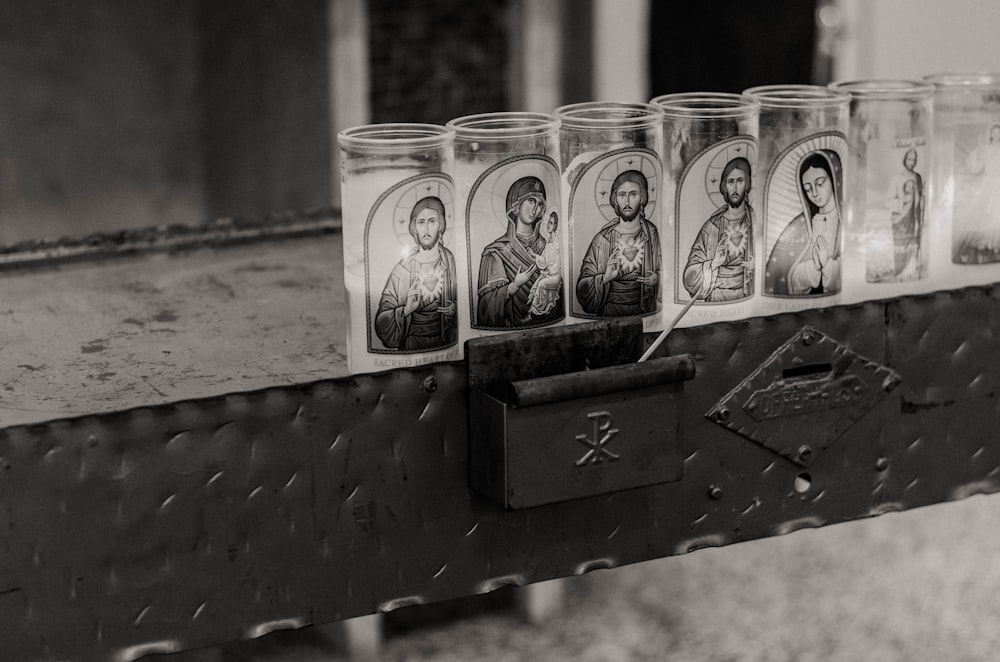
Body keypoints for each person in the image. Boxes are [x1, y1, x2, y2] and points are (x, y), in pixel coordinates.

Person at [374, 196, 457, 350]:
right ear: (414, 228)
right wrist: (406, 310)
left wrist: (455, 308)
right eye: (421, 222)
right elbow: (382, 319)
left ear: (440, 226)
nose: (426, 229)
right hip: (412, 343)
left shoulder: (450, 260)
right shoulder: (403, 269)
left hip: (445, 341)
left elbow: (466, 296)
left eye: (432, 221)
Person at [477, 176, 561, 327]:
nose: (535, 209)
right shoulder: (496, 252)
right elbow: (485, 306)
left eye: (540, 204)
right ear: (516, 206)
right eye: (531, 201)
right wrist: (513, 286)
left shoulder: (547, 246)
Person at [575, 170, 660, 316]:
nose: (627, 202)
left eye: (633, 194)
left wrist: (656, 277)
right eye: (622, 195)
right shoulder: (602, 239)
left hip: (643, 311)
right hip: (610, 312)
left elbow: (664, 269)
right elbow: (582, 288)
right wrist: (605, 278)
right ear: (615, 200)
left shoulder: (651, 233)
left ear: (642, 198)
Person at [765, 151, 842, 295]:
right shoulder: (801, 225)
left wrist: (827, 264)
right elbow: (786, 276)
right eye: (807, 189)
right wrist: (816, 265)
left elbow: (848, 268)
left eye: (820, 183)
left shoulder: (842, 222)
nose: (814, 193)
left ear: (833, 178)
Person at [682, 156, 754, 301]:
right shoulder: (711, 227)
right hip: (716, 296)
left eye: (740, 181)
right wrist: (713, 263)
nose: (734, 188)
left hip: (746, 296)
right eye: (730, 182)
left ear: (747, 184)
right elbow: (688, 277)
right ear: (724, 187)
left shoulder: (754, 221)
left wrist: (756, 267)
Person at [885, 148, 924, 277]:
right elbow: (888, 200)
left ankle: (910, 272)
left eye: (914, 160)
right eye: (909, 159)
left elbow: (920, 198)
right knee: (900, 247)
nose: (911, 162)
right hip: (900, 220)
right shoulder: (897, 178)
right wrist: (903, 204)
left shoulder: (917, 177)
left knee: (913, 246)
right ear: (904, 160)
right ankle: (900, 273)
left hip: (913, 220)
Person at [525, 211, 562, 320]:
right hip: (548, 274)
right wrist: (533, 255)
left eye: (551, 223)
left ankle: (533, 314)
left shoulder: (557, 244)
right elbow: (544, 260)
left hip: (555, 276)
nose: (548, 225)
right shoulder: (548, 242)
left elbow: (558, 265)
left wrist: (548, 272)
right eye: (548, 222)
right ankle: (538, 312)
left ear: (555, 225)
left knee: (541, 284)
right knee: (536, 284)